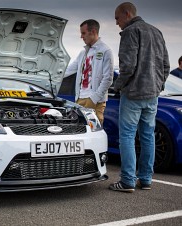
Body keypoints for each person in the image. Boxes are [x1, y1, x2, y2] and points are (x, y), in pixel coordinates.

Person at [109, 2, 170, 192]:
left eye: (117, 18)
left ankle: (127, 181)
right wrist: (158, 85)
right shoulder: (156, 32)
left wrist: (116, 87)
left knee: (126, 136)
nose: (117, 23)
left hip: (133, 94)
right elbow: (166, 66)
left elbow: (127, 67)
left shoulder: (130, 32)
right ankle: (146, 179)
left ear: (127, 14)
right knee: (147, 136)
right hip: (152, 95)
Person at [64, 19, 114, 125]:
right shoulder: (83, 52)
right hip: (79, 99)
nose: (81, 37)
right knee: (79, 131)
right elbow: (69, 70)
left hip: (94, 100)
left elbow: (108, 79)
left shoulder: (106, 51)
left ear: (93, 32)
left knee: (94, 131)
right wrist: (48, 75)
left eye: (83, 33)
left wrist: (94, 98)